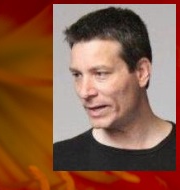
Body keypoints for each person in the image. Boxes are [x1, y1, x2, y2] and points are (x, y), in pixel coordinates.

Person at [53, 7, 175, 171]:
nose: (84, 92)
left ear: (141, 72)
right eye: (77, 75)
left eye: (100, 74)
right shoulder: (58, 159)